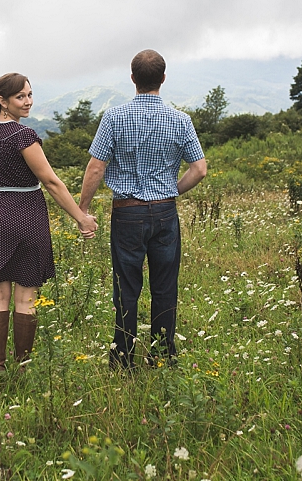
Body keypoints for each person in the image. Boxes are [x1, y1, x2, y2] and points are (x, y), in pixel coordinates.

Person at [79, 50, 207, 369]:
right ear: (163, 79)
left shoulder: (114, 117)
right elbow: (200, 169)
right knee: (165, 286)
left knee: (127, 287)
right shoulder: (181, 119)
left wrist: (82, 209)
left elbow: (96, 168)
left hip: (127, 213)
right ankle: (162, 355)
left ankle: (122, 359)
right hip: (165, 213)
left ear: (133, 78)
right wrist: (169, 191)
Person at [0, 72, 98, 372]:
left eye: (29, 94)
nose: (27, 101)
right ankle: (22, 367)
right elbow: (51, 182)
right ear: (3, 101)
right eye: (20, 97)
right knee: (25, 297)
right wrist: (80, 218)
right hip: (27, 216)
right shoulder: (24, 137)